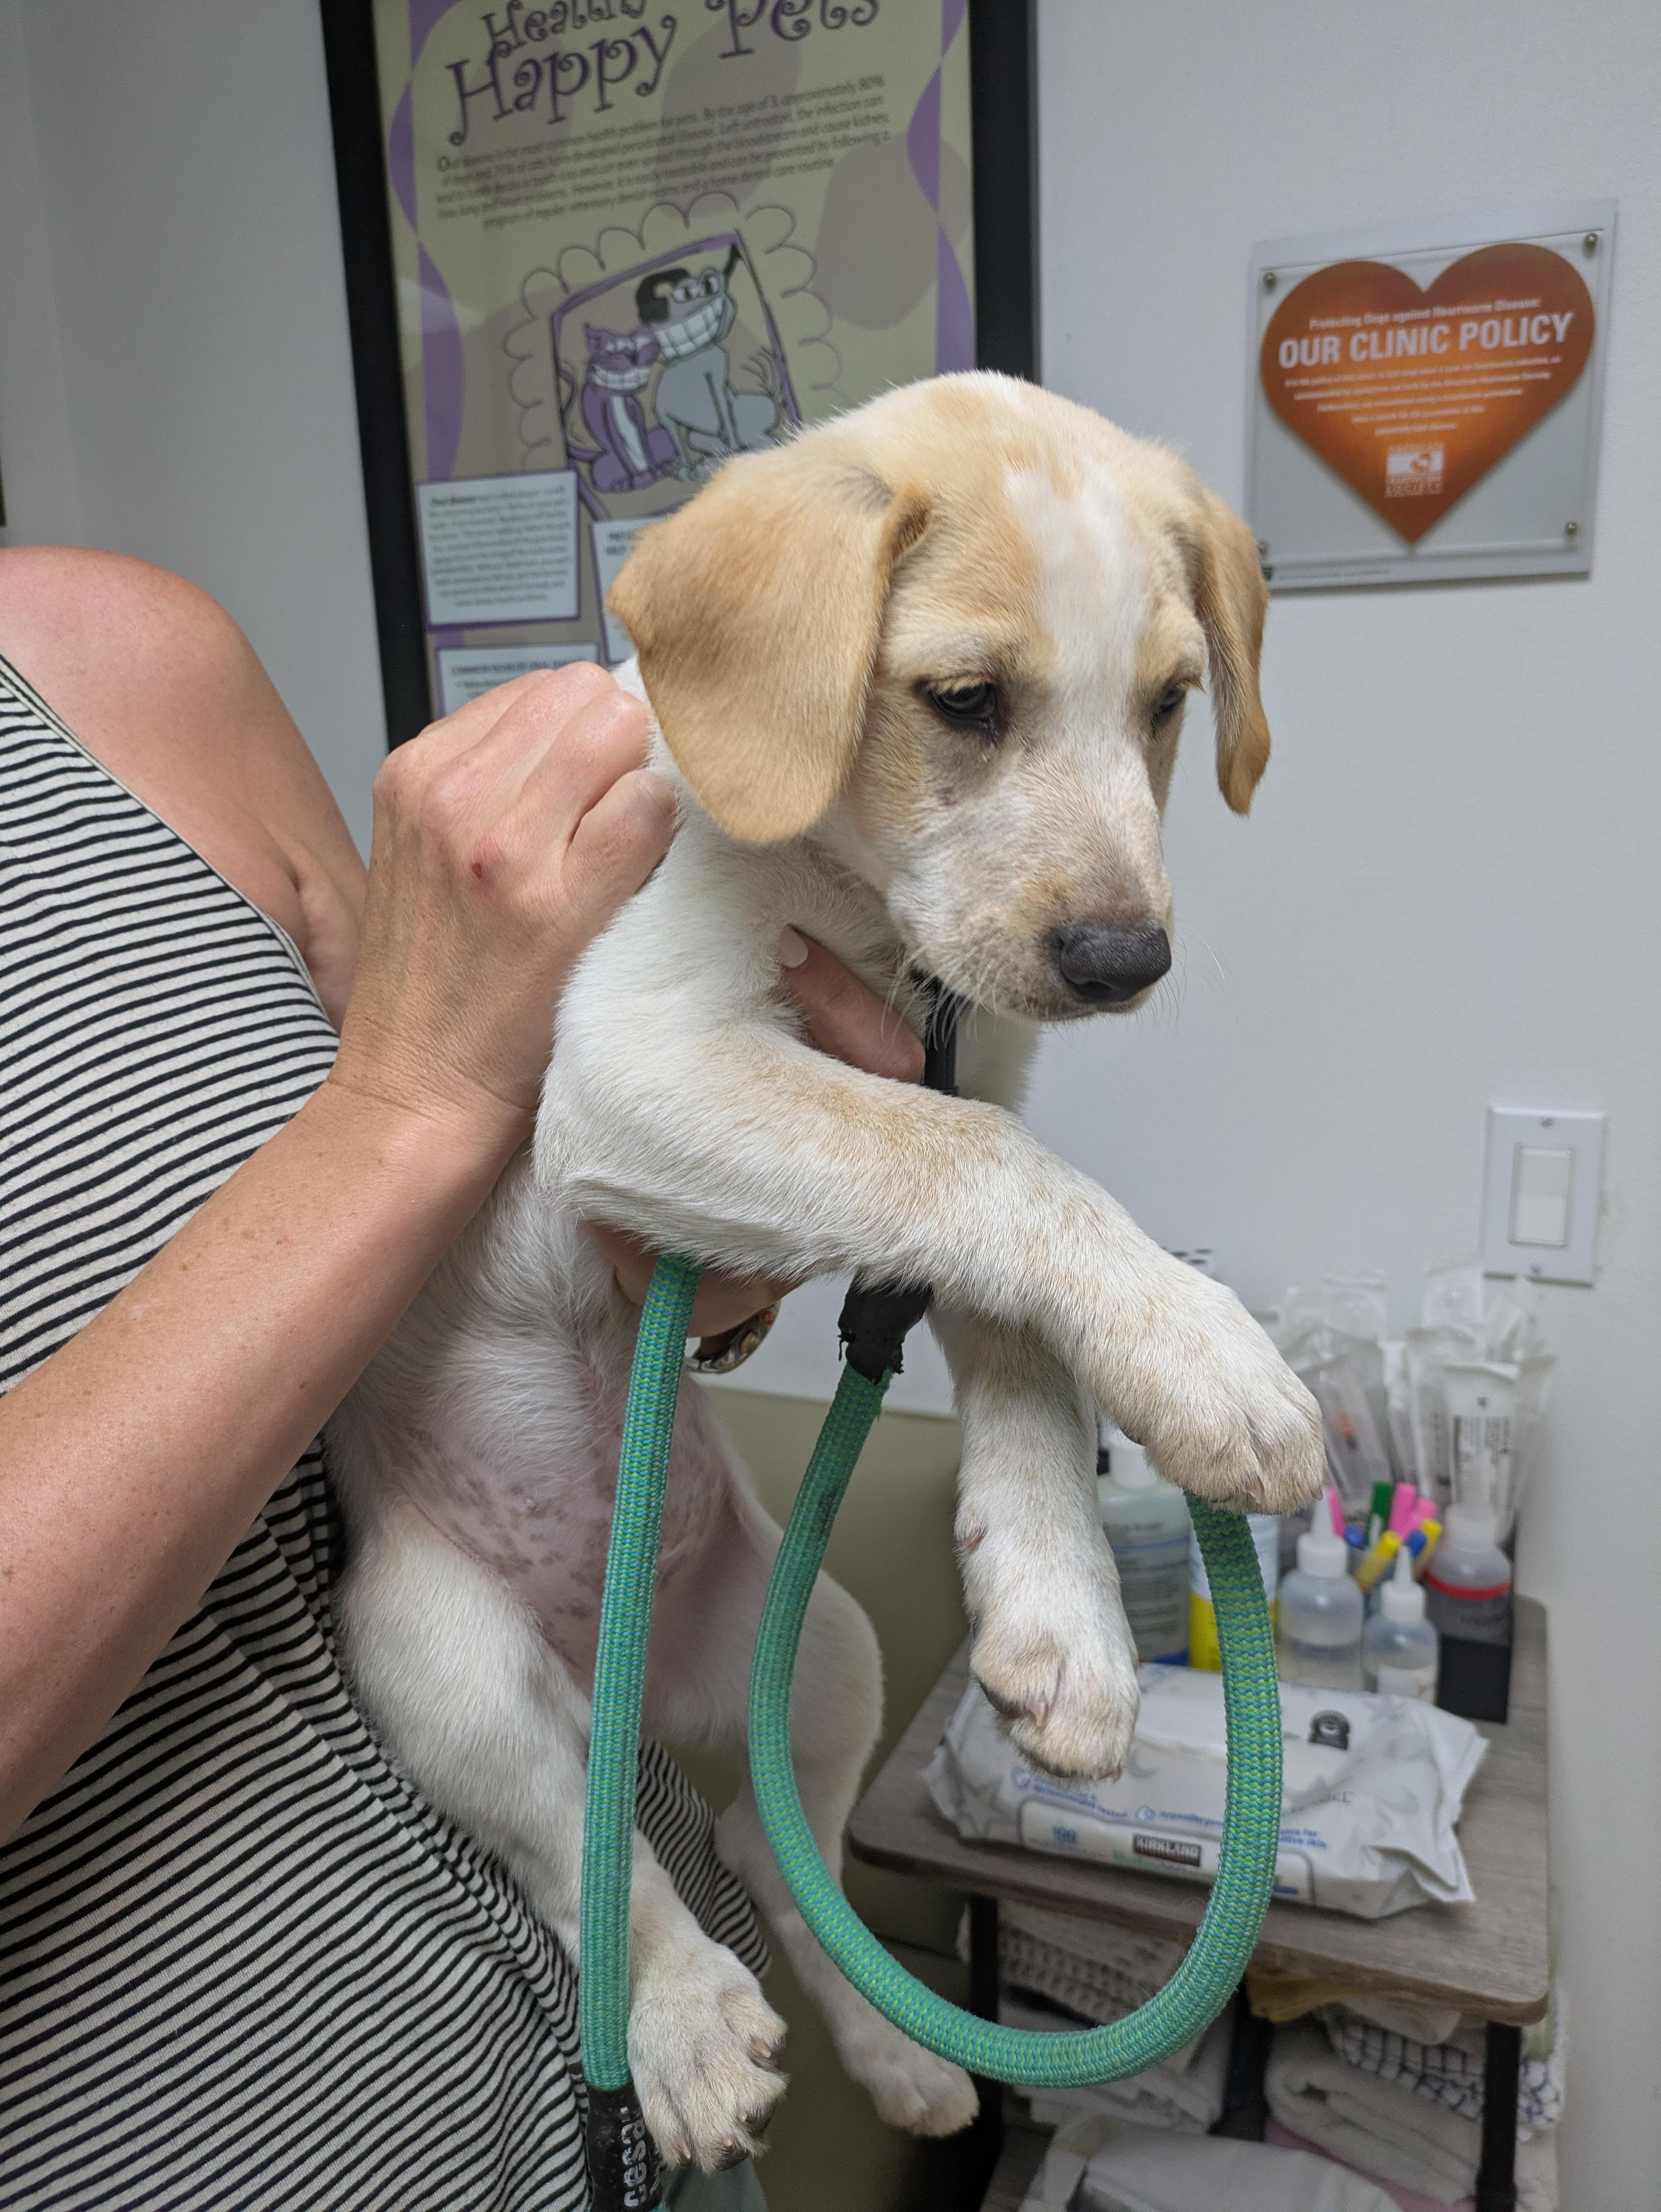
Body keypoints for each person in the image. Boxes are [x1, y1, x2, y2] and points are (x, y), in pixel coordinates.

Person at [0, 546, 922, 2210]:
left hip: (684, 2076)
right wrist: (409, 1107)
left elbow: (506, 1164)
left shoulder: (127, 653)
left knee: (825, 1652)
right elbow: (415, 1103)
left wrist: (706, 1269)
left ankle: (812, 1912)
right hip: (279, 2154)